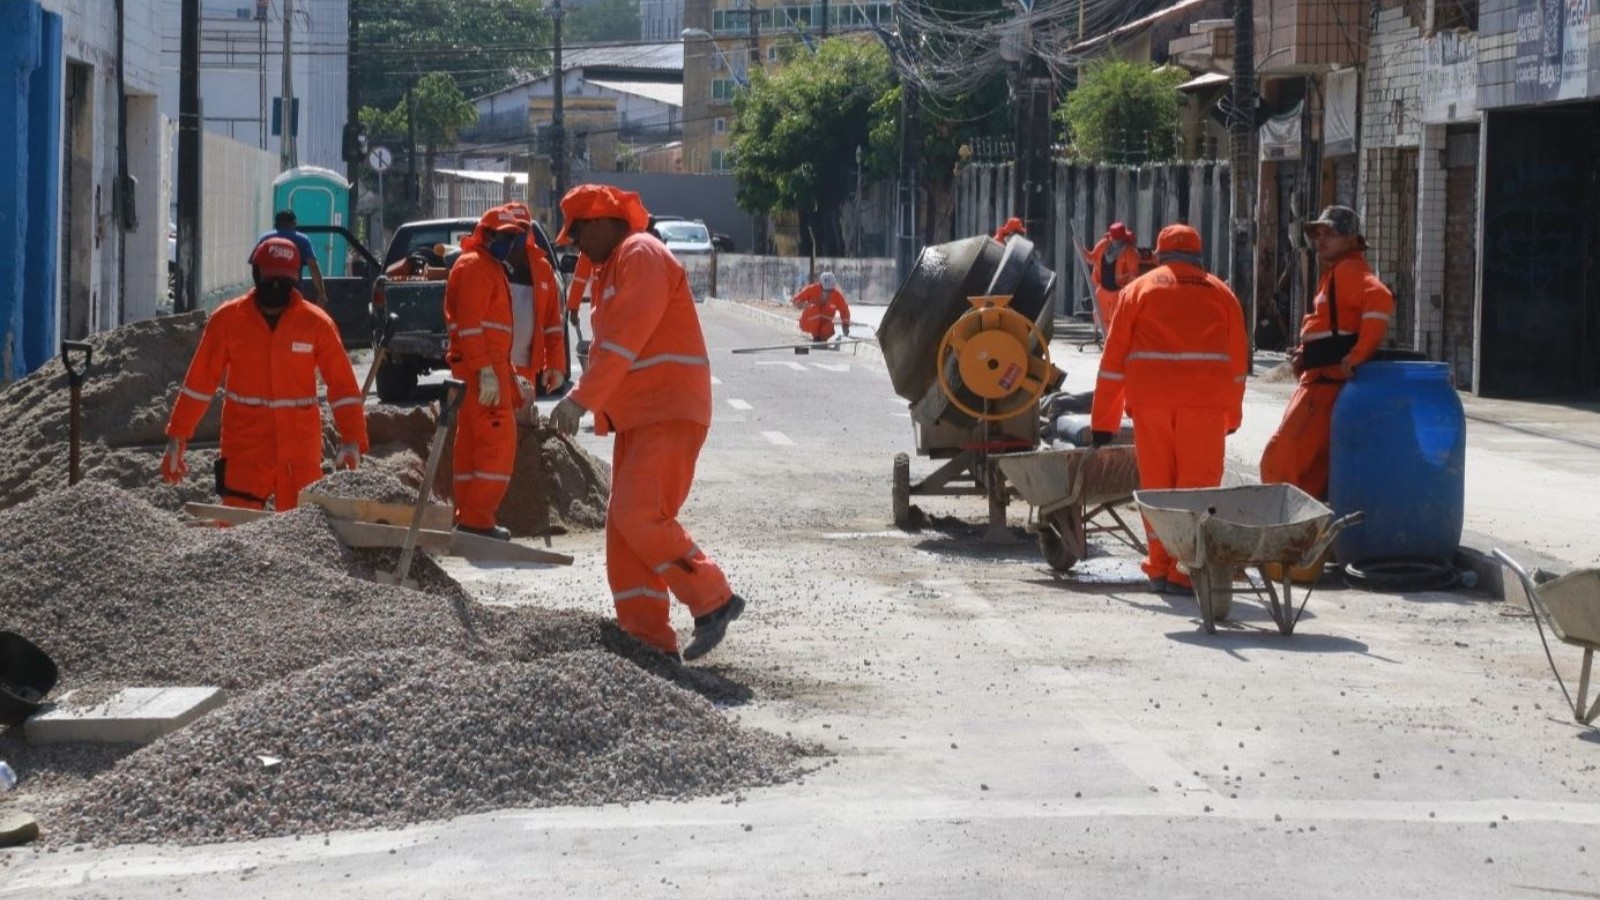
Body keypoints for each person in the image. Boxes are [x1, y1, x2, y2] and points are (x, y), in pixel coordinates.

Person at [546, 183, 746, 663]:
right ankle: (646, 641)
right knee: (624, 527)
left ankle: (713, 598)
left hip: (667, 410)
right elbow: (615, 344)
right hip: (643, 415)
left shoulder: (641, 254)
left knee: (638, 515)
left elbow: (624, 339)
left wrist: (580, 399)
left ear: (600, 221)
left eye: (578, 233)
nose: (577, 245)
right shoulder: (617, 265)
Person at [1090, 224, 1248, 595]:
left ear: (1159, 256)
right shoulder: (1222, 294)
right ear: (1198, 255)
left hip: (1151, 405)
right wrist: (1231, 415)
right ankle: (1183, 570)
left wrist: (1103, 421)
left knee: (1157, 486)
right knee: (1197, 487)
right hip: (1205, 408)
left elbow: (1113, 361)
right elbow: (1238, 364)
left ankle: (1159, 567)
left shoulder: (1138, 290)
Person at [162, 237, 367, 510]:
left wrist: (352, 440)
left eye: (283, 281)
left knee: (299, 529)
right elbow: (199, 383)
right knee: (237, 529)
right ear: (256, 275)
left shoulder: (316, 324)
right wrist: (177, 436)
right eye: (271, 280)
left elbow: (343, 387)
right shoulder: (228, 320)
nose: (276, 287)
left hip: (298, 453)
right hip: (245, 451)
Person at [1260, 206, 1395, 500]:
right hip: (1320, 381)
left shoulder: (1348, 272)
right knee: (1312, 469)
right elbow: (1328, 323)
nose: (1321, 240)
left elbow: (1381, 298)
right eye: (1318, 234)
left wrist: (1357, 356)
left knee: (1281, 459)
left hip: (1324, 387)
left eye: (1330, 234)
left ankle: (1283, 515)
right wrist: (1304, 352)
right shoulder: (1336, 274)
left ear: (1352, 240)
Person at [444, 204, 528, 540]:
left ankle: (468, 516)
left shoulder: (485, 266)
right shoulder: (477, 267)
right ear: (485, 235)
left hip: (482, 368)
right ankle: (477, 520)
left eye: (513, 237)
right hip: (480, 370)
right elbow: (471, 325)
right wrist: (485, 371)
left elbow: (487, 330)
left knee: (473, 442)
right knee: (496, 442)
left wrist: (505, 373)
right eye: (503, 236)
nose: (509, 243)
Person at [501, 202, 568, 400]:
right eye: (512, 228)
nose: (517, 234)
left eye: (522, 228)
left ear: (529, 230)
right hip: (493, 365)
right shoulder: (490, 263)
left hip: (526, 367)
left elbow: (553, 323)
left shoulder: (541, 268)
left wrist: (555, 365)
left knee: (523, 415)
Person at [251, 210, 328, 306]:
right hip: (292, 294)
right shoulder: (303, 240)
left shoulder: (265, 238)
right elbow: (313, 267)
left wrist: (259, 288)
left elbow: (255, 264)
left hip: (267, 293)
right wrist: (321, 293)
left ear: (275, 224)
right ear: (294, 223)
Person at [1083, 222, 1140, 335]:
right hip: (1102, 290)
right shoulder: (1104, 245)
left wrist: (1127, 292)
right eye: (1113, 239)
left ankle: (1112, 339)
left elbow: (1134, 276)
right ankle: (1105, 339)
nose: (1115, 242)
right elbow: (1091, 258)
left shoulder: (1130, 252)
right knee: (1099, 317)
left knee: (1116, 320)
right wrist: (1081, 249)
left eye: (1117, 240)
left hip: (1118, 292)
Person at [790, 271, 852, 343]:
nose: (827, 292)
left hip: (824, 325)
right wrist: (804, 305)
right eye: (825, 289)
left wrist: (845, 325)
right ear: (820, 284)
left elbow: (844, 311)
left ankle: (821, 339)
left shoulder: (837, 296)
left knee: (829, 327)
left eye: (829, 290)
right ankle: (815, 335)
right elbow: (795, 300)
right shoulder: (812, 289)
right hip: (808, 322)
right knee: (814, 307)